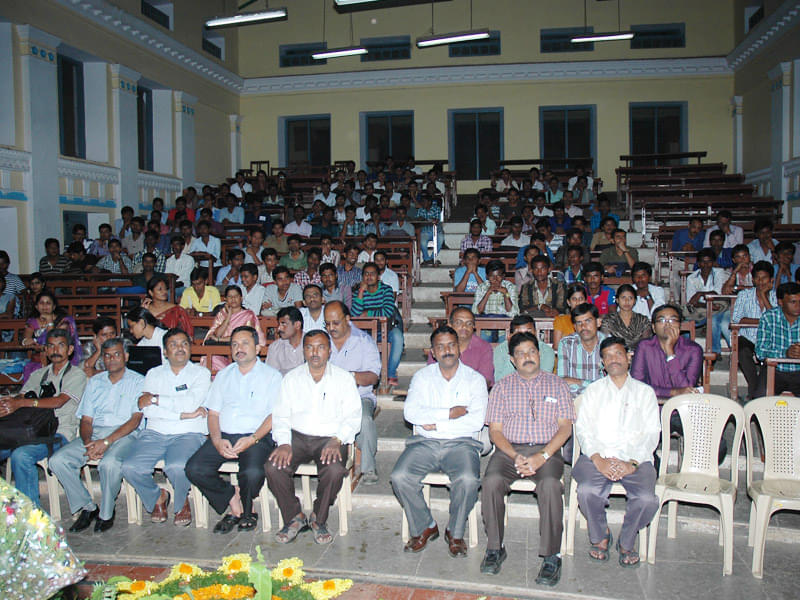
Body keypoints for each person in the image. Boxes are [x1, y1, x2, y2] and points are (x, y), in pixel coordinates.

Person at [480, 331, 573, 582]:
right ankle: (495, 548)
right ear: (512, 359)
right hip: (509, 449)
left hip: (547, 449)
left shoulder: (558, 384)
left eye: (532, 351)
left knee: (551, 485)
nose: (527, 357)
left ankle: (552, 555)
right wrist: (514, 455)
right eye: (520, 353)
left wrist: (542, 455)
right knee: (490, 482)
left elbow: (565, 427)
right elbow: (495, 431)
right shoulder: (502, 387)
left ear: (540, 354)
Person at [391, 325, 488, 556]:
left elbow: (475, 422)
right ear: (433, 352)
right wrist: (449, 414)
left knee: (467, 479)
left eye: (451, 345)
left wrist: (434, 421)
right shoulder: (422, 377)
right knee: (399, 476)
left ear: (459, 348)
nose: (447, 350)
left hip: (462, 443)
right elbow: (411, 414)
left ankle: (455, 533)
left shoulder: (475, 380)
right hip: (425, 442)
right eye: (441, 346)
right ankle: (426, 526)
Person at [266, 329, 362, 544]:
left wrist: (337, 439)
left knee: (335, 470)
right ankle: (294, 517)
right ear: (303, 351)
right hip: (297, 436)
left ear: (329, 351)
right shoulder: (291, 378)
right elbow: (280, 414)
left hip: (331, 438)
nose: (315, 352)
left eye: (320, 347)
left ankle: (318, 518)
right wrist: (283, 443)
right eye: (309, 347)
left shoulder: (344, 379)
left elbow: (353, 416)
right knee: (273, 467)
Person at [573, 336, 661, 568]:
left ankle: (627, 539)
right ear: (602, 362)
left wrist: (631, 463)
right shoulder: (593, 391)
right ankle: (601, 536)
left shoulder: (645, 393)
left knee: (646, 499)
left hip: (636, 460)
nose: (613, 360)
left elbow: (652, 434)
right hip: (597, 456)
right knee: (587, 491)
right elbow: (583, 430)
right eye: (608, 356)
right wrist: (598, 459)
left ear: (628, 357)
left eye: (618, 354)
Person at [186, 327, 282, 533]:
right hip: (225, 434)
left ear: (258, 347)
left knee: (252, 472)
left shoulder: (272, 376)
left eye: (245, 343)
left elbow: (275, 415)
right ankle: (232, 498)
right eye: (234, 344)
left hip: (257, 435)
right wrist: (217, 439)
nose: (239, 348)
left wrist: (252, 439)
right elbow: (213, 414)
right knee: (194, 468)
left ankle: (248, 512)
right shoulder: (223, 375)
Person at [48, 338, 144, 533]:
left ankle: (106, 513)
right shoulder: (94, 382)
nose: (112, 359)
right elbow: (86, 420)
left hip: (125, 434)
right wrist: (88, 443)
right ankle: (88, 507)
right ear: (102, 359)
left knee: (109, 463)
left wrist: (107, 442)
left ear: (125, 356)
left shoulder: (139, 381)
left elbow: (135, 420)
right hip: (95, 433)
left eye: (117, 354)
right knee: (58, 460)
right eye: (107, 355)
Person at [121, 328, 209, 526]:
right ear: (165, 351)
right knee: (130, 467)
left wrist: (155, 399)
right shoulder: (154, 374)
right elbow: (147, 411)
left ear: (190, 348)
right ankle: (157, 497)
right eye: (173, 345)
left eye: (184, 344)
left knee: (177, 466)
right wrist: (184, 414)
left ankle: (181, 501)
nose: (180, 348)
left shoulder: (201, 373)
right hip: (155, 432)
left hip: (188, 433)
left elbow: (191, 403)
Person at [0, 329, 87, 507]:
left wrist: (22, 403)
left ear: (70, 349)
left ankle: (32, 516)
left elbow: (58, 401)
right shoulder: (38, 375)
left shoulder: (77, 375)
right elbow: (20, 398)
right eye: (51, 346)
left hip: (58, 433)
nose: (55, 350)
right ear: (45, 350)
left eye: (60, 345)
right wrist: (9, 404)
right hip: (29, 431)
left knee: (21, 456)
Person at [325, 301, 382, 484]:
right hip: (327, 397)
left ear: (348, 319)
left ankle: (368, 468)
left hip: (359, 396)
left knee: (364, 419)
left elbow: (373, 377)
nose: (331, 328)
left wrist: (348, 377)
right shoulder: (322, 341)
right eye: (327, 323)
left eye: (336, 323)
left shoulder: (363, 341)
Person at [631, 304, 703, 400]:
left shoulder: (693, 350)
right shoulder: (644, 347)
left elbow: (687, 391)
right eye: (662, 320)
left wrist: (670, 353)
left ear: (679, 326)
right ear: (653, 327)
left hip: (680, 409)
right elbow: (637, 386)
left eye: (672, 320)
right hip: (651, 407)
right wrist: (673, 392)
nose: (667, 324)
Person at [351, 262, 404, 387]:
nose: (369, 277)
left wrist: (368, 312)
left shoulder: (387, 290)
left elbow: (388, 311)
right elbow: (355, 314)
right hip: (365, 331)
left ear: (378, 277)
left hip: (386, 328)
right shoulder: (358, 292)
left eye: (372, 274)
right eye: (366, 274)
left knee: (398, 337)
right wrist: (361, 292)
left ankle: (390, 373)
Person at [732, 261, 776, 400]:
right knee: (742, 349)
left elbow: (776, 320)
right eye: (757, 278)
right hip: (748, 337)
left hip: (769, 339)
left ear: (771, 280)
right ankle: (755, 388)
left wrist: (764, 296)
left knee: (771, 352)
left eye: (764, 278)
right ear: (753, 279)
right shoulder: (744, 295)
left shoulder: (776, 296)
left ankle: (759, 390)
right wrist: (764, 322)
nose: (760, 281)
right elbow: (737, 320)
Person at [21, 292, 82, 381]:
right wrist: (26, 341)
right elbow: (25, 340)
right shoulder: (32, 322)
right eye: (41, 303)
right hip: (40, 358)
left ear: (54, 306)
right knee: (32, 369)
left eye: (48, 303)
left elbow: (53, 339)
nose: (45, 306)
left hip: (61, 357)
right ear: (36, 306)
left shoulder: (64, 321)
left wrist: (49, 321)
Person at [428, 307, 494, 388]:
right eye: (459, 322)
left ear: (473, 327)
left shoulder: (484, 347)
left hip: (472, 395)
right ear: (450, 325)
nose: (464, 327)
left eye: (469, 323)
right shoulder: (439, 346)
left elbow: (485, 380)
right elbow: (431, 376)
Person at [204, 285, 266, 371]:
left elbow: (244, 338)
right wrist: (228, 316)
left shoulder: (248, 315)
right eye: (230, 296)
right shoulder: (221, 314)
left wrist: (219, 340)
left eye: (236, 296)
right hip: (222, 352)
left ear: (241, 298)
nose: (233, 299)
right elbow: (217, 334)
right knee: (212, 359)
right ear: (225, 299)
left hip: (241, 350)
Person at [754, 282, 800, 397]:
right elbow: (760, 352)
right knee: (759, 399)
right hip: (775, 370)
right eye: (793, 302)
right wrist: (785, 353)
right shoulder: (769, 318)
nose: (798, 306)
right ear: (780, 302)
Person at [686, 248, 730, 355]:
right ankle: (687, 351)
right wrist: (707, 304)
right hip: (702, 309)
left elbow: (718, 294)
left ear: (713, 262)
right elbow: (691, 302)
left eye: (709, 261)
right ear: (698, 263)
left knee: (713, 320)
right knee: (685, 322)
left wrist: (700, 294)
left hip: (720, 307)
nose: (705, 265)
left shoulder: (719, 273)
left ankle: (715, 352)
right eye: (702, 261)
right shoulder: (692, 278)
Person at [557, 303, 607, 397]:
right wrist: (593, 385)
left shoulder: (609, 344)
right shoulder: (566, 344)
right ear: (574, 327)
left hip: (602, 400)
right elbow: (561, 382)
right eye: (579, 323)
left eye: (588, 321)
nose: (583, 326)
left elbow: (612, 384)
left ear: (598, 322)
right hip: (574, 401)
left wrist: (579, 382)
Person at [493, 315, 556, 380]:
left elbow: (545, 379)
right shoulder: (500, 349)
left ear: (535, 333)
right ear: (511, 335)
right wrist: (511, 349)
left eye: (528, 332)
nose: (524, 337)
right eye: (519, 333)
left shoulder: (546, 350)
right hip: (510, 388)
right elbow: (499, 380)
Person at [600, 284, 653, 351]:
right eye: (623, 297)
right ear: (617, 300)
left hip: (638, 356)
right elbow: (605, 344)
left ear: (635, 301)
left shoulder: (643, 320)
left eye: (630, 298)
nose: (626, 301)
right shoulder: (608, 321)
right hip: (615, 355)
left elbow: (646, 344)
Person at [266, 306, 305, 375]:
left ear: (297, 325)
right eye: (279, 324)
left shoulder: (312, 343)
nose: (279, 328)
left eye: (284, 324)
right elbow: (271, 376)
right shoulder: (275, 347)